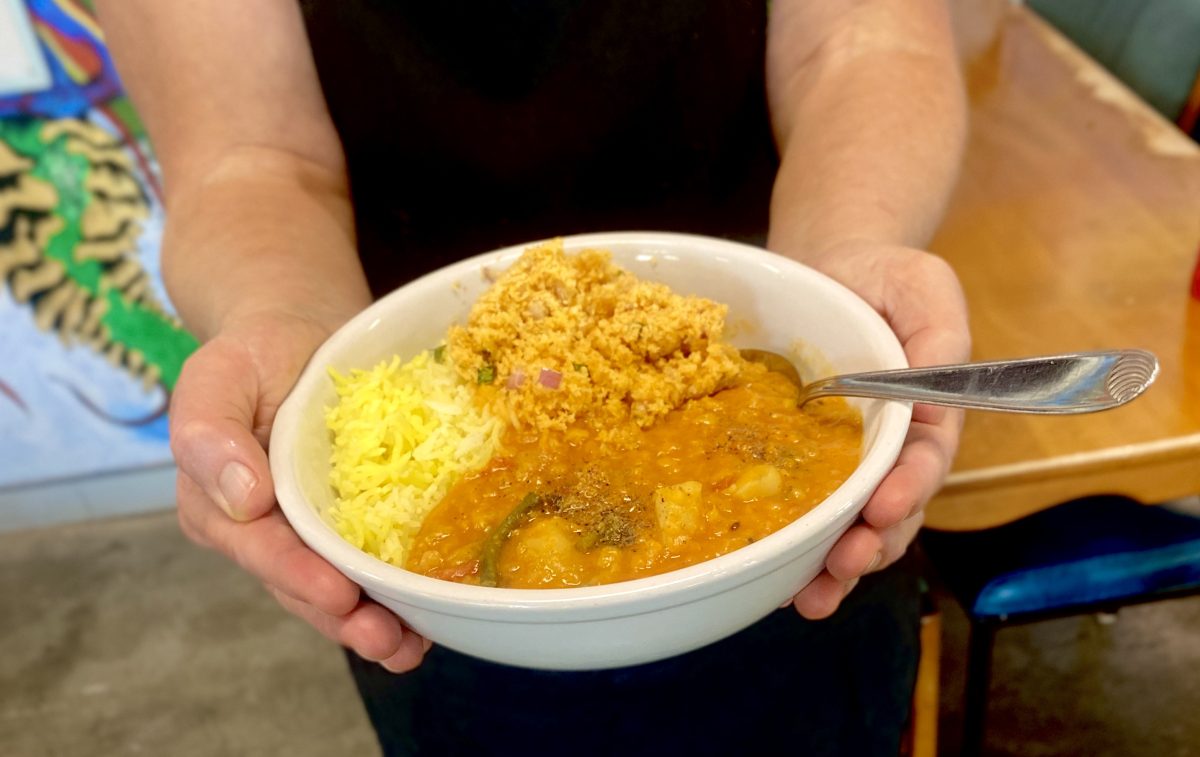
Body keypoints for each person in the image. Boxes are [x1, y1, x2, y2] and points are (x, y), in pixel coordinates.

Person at [95, 0, 970, 753]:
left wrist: (841, 269)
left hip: (803, 563)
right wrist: (283, 322)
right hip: (444, 621)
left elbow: (861, 42)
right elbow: (250, 157)